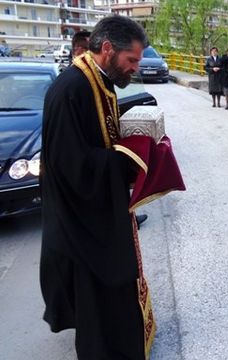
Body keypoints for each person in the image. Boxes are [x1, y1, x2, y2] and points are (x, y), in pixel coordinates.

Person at [40, 15, 155, 359]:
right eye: (131, 60)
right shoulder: (70, 88)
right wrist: (129, 160)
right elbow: (70, 164)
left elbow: (101, 131)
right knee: (97, 293)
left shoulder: (98, 79)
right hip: (82, 214)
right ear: (107, 49)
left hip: (98, 205)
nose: (134, 68)